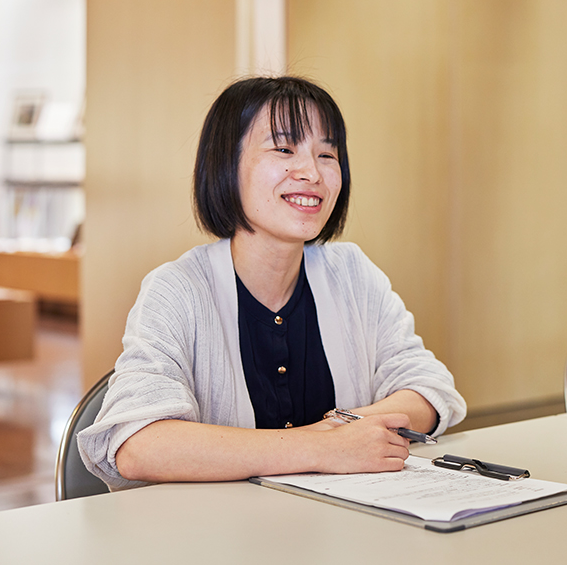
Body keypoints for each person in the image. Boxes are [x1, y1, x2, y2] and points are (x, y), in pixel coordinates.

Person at [78, 76, 466, 490]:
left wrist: (345, 432)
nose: (311, 172)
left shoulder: (351, 272)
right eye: (284, 149)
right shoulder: (178, 290)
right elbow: (138, 444)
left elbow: (428, 389)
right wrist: (323, 448)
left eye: (327, 153)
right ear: (227, 164)